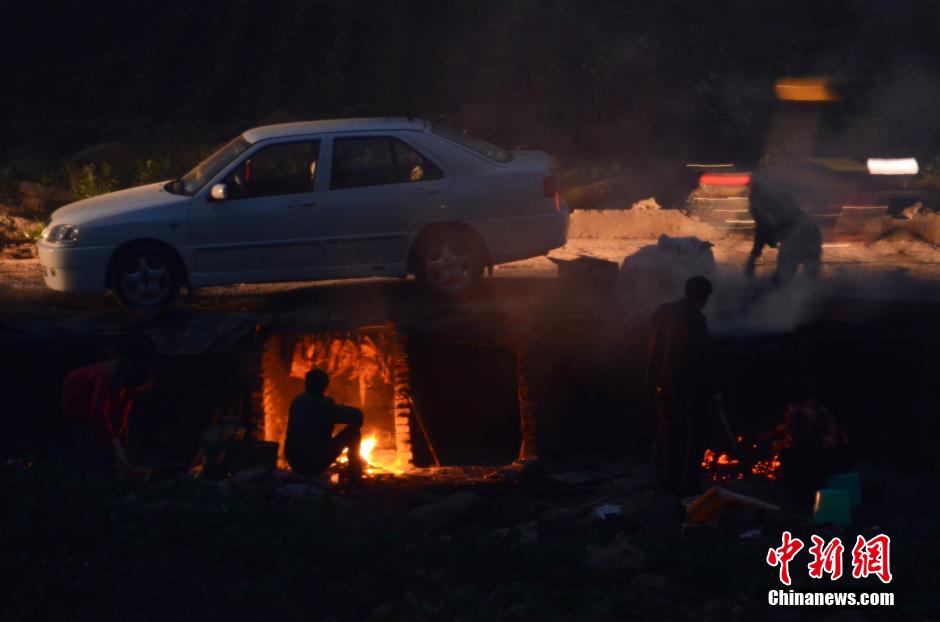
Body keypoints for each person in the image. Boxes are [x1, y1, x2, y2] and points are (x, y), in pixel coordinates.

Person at [646, 276, 720, 495]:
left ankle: (671, 480)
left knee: (672, 434)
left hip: (664, 384)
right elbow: (701, 358)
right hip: (690, 387)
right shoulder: (697, 320)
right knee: (695, 436)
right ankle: (690, 484)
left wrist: (653, 378)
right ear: (704, 298)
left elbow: (653, 346)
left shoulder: (662, 311)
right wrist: (713, 390)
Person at [62, 358, 152, 476]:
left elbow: (124, 409)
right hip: (77, 397)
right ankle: (88, 472)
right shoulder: (106, 377)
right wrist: (112, 437)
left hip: (97, 403)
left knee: (111, 437)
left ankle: (117, 467)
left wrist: (122, 429)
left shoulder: (127, 388)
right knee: (88, 439)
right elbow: (98, 412)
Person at [285, 369, 364, 482]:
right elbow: (358, 417)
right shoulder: (325, 404)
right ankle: (354, 479)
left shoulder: (296, 401)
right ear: (325, 386)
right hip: (314, 463)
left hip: (294, 461)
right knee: (354, 433)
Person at [745, 173, 822, 286]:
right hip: (809, 232)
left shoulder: (760, 201)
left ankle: (791, 299)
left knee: (783, 280)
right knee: (808, 279)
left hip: (797, 236)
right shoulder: (779, 195)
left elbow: (762, 228)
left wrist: (752, 258)